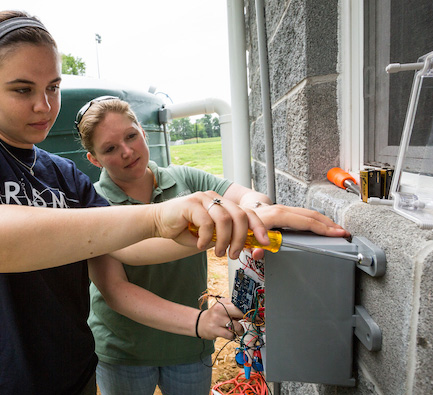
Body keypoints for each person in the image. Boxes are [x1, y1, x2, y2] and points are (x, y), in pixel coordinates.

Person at [0, 10, 275, 395]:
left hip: (71, 376)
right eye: (22, 89)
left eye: (52, 87)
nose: (44, 106)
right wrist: (157, 217)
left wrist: (241, 223)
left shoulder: (64, 176)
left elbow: (129, 245)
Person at [76, 96, 350, 395]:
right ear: (94, 159)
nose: (128, 152)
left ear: (142, 130)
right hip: (125, 350)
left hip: (189, 347)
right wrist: (200, 321)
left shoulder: (184, 179)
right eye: (110, 149)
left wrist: (255, 213)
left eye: (131, 136)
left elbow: (249, 197)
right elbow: (117, 291)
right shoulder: (94, 204)